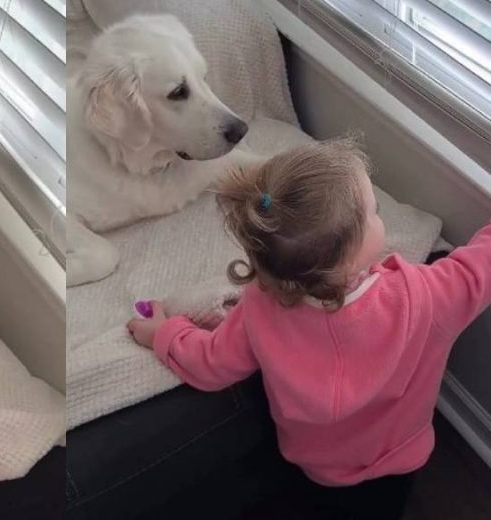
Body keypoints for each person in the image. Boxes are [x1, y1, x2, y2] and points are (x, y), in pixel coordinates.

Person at [127, 139, 491, 519]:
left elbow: (211, 363)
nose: (380, 216)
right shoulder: (426, 298)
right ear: (349, 256)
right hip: (396, 465)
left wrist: (164, 334)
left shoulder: (259, 306)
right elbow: (479, 267)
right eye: (374, 212)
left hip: (311, 469)